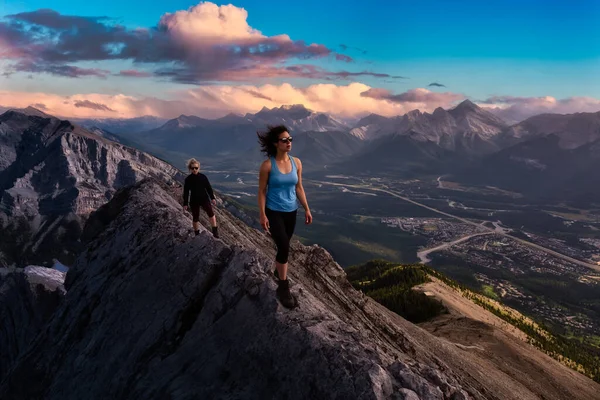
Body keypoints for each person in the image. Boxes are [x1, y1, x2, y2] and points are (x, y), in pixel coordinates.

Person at [257, 125, 312, 308]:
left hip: (291, 211)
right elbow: (262, 191)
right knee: (284, 246)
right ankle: (283, 287)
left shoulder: (297, 162)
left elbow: (299, 187)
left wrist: (306, 208)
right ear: (276, 143)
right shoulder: (267, 166)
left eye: (290, 139)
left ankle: (276, 272)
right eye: (284, 140)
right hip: (274, 211)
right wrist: (263, 214)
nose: (289, 142)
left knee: (283, 248)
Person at [183, 158, 219, 238]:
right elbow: (186, 192)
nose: (194, 169)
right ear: (190, 169)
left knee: (211, 213)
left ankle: (215, 232)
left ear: (199, 168)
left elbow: (208, 188)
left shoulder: (203, 177)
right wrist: (185, 203)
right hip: (194, 200)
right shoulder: (188, 179)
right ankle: (197, 234)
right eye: (193, 168)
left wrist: (212, 198)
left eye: (196, 168)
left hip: (204, 199)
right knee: (195, 217)